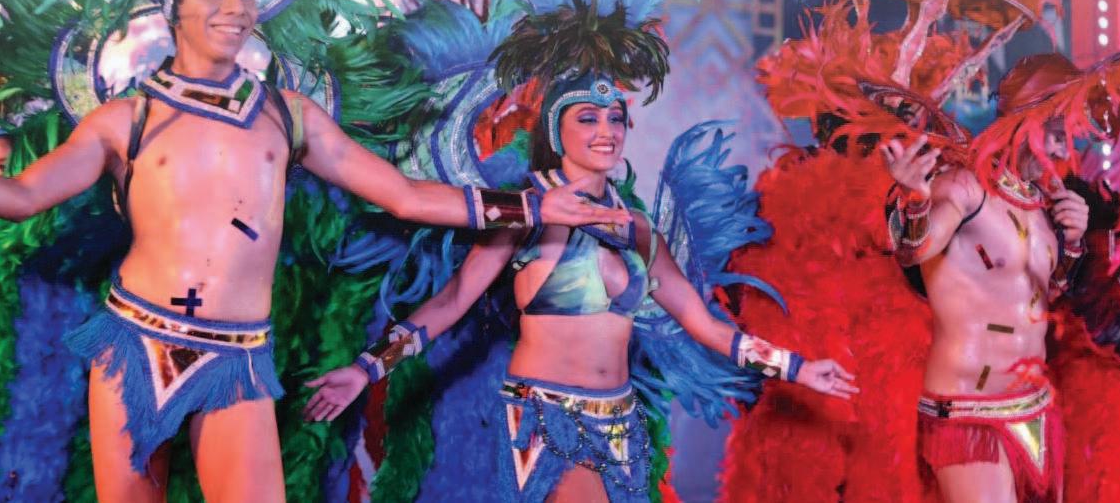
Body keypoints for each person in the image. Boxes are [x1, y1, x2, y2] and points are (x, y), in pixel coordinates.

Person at [0, 0, 629, 503]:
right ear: (174, 9)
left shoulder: (287, 115)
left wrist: (531, 206)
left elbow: (404, 195)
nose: (236, 8)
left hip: (237, 357)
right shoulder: (126, 120)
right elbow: (22, 196)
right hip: (135, 341)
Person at [305, 63, 858, 502]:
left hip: (620, 421)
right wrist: (367, 368)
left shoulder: (637, 227)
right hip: (548, 416)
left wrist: (796, 367)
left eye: (615, 118)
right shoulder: (525, 211)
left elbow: (703, 324)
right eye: (588, 119)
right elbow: (451, 302)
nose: (606, 131)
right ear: (557, 131)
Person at [881, 54, 1089, 503]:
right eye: (1056, 135)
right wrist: (914, 199)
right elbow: (914, 250)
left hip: (1036, 406)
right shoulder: (964, 186)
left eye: (1068, 138)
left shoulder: (1042, 203)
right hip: (969, 410)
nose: (1062, 151)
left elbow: (1042, 299)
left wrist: (1073, 244)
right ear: (1026, 122)